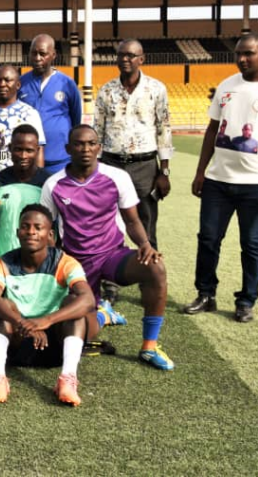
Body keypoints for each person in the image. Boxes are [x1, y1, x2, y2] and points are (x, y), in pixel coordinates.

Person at [186, 33, 258, 322]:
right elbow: (212, 130)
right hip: (218, 181)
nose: (242, 58)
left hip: (256, 183)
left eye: (249, 53)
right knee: (208, 239)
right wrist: (201, 172)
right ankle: (206, 293)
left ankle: (246, 301)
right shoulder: (227, 85)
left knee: (252, 245)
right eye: (238, 53)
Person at [40, 126, 173, 370]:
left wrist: (145, 245)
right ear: (68, 148)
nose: (86, 149)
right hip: (77, 263)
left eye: (91, 143)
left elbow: (132, 220)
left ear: (99, 148)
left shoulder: (117, 177)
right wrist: (53, 264)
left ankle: (149, 346)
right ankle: (103, 314)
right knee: (80, 336)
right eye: (79, 144)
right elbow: (47, 230)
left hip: (112, 255)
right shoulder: (54, 185)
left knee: (156, 268)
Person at [0, 204, 97, 406]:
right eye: (25, 227)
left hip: (54, 343)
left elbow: (88, 299)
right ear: (18, 232)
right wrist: (23, 323)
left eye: (38, 227)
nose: (31, 232)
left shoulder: (65, 262)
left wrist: (46, 320)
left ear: (50, 234)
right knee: (2, 306)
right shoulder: (3, 263)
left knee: (73, 303)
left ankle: (68, 378)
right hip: (19, 339)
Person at [94, 38, 173, 251]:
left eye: (130, 55)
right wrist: (97, 167)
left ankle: (150, 268)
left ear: (141, 59)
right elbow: (97, 130)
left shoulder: (156, 89)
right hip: (111, 163)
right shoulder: (106, 90)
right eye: (121, 55)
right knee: (108, 220)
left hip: (144, 165)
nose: (125, 59)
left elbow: (164, 129)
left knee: (146, 222)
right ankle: (110, 267)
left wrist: (164, 171)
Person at [18, 34, 82, 173]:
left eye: (43, 54)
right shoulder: (21, 82)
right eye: (34, 53)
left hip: (61, 159)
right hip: (28, 160)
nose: (37, 58)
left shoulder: (67, 83)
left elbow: (76, 118)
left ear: (53, 55)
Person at [0, 125, 52, 257]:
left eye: (29, 150)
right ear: (10, 148)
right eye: (18, 149)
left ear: (37, 150)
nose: (23, 156)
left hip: (40, 262)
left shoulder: (48, 183)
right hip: (4, 260)